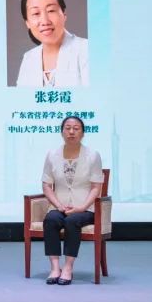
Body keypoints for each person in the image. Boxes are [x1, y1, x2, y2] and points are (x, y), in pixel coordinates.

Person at [40, 115, 103, 286]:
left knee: (72, 221)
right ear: (62, 132)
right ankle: (55, 268)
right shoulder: (52, 155)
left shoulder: (92, 155)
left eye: (76, 128)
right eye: (67, 128)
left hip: (85, 209)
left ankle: (68, 268)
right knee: (51, 219)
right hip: (60, 206)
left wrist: (82, 207)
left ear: (83, 133)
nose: (71, 132)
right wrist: (58, 205)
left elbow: (96, 187)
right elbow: (46, 185)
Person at [15, 0, 89, 87]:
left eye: (51, 10)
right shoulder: (28, 59)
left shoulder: (86, 50)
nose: (45, 21)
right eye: (36, 13)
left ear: (64, 14)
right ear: (27, 23)